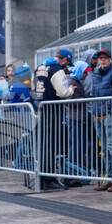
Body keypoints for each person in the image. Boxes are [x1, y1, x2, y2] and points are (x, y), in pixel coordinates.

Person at [89, 49, 112, 192]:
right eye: (100, 58)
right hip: (98, 114)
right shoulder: (96, 74)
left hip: (110, 114)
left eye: (105, 58)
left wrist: (111, 110)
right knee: (105, 148)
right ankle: (110, 178)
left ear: (110, 59)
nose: (103, 60)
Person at [34, 55, 74, 190]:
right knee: (50, 145)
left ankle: (41, 177)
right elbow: (63, 92)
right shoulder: (56, 69)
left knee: (42, 145)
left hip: (41, 109)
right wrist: (71, 90)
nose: (66, 65)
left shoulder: (40, 67)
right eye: (67, 62)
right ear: (64, 60)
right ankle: (49, 179)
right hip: (53, 111)